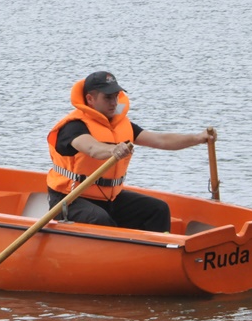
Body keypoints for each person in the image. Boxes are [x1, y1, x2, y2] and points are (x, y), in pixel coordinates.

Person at [47, 71, 216, 232]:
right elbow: (92, 148)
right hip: (69, 200)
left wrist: (198, 138)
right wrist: (113, 150)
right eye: (108, 98)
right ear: (90, 99)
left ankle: (157, 254)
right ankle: (113, 256)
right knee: (99, 219)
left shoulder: (122, 125)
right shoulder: (73, 127)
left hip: (108, 198)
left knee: (158, 209)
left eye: (115, 96)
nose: (114, 102)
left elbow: (161, 140)